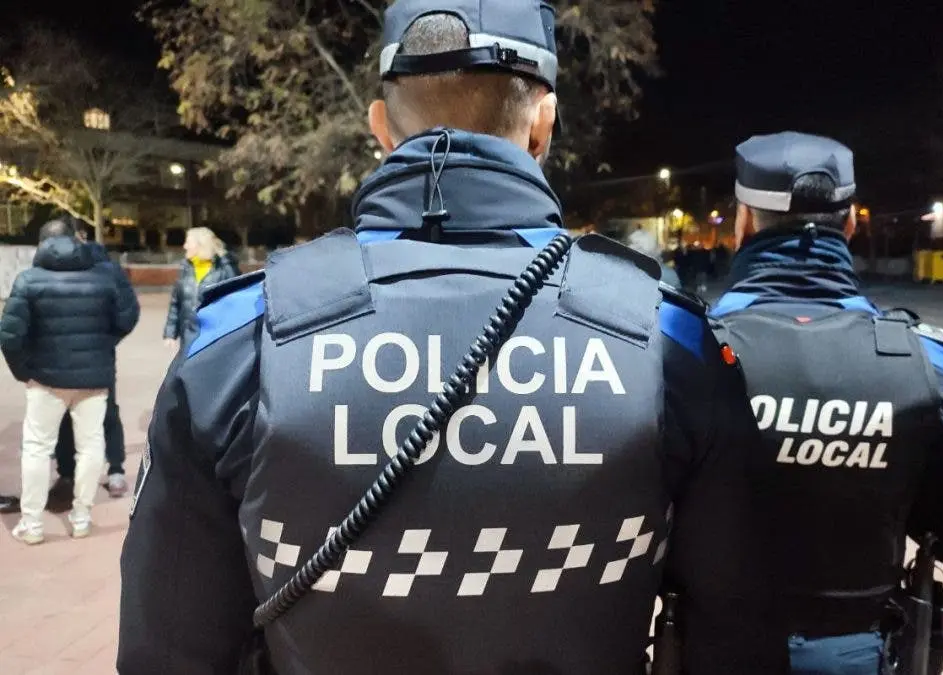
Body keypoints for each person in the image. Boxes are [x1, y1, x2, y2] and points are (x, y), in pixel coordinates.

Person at [119, 2, 786, 673]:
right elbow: (735, 634)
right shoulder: (670, 342)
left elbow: (168, 648)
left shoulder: (240, 341)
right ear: (543, 123)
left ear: (381, 127)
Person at [708, 131, 943, 674]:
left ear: (743, 224)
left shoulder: (685, 348)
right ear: (851, 225)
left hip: (713, 650)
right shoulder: (928, 362)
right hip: (860, 654)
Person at [0, 219, 139, 544]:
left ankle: (32, 524)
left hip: (45, 379)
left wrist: (24, 370)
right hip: (93, 378)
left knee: (36, 448)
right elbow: (127, 317)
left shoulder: (29, 280)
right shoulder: (102, 278)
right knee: (91, 445)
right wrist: (102, 346)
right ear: (77, 240)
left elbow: (9, 336)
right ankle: (81, 517)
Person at [48, 221, 135, 506]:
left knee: (107, 412)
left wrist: (104, 340)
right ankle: (66, 472)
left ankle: (116, 468)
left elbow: (127, 311)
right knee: (62, 416)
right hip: (57, 358)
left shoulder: (105, 267)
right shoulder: (47, 267)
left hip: (97, 355)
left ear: (79, 237)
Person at [163, 226, 240, 352]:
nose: (185, 246)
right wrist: (170, 333)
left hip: (214, 335)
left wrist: (225, 259)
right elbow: (176, 303)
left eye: (188, 242)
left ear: (201, 245)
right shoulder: (186, 268)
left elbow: (236, 294)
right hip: (188, 335)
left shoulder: (222, 268)